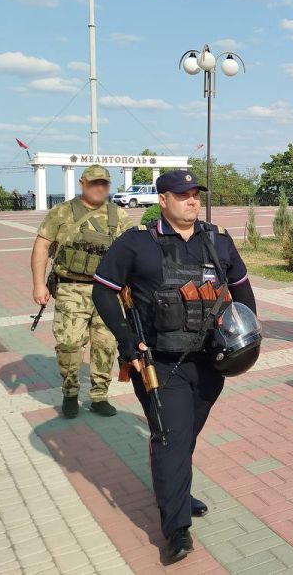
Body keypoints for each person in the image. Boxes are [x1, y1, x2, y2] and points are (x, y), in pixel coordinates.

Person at [91, 170, 257, 563]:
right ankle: (176, 528)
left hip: (210, 362)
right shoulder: (136, 243)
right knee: (170, 437)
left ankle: (176, 493)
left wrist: (246, 334)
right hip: (161, 362)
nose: (192, 201)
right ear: (162, 199)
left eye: (195, 194)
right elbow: (103, 290)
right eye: (182, 195)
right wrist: (126, 341)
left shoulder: (217, 240)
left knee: (187, 434)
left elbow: (242, 289)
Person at [31, 164, 132, 419]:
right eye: (94, 183)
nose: (99, 188)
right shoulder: (62, 212)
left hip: (108, 292)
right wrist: (38, 284)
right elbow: (41, 246)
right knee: (69, 344)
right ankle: (70, 392)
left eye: (104, 183)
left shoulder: (119, 215)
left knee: (105, 344)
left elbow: (131, 255)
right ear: (82, 183)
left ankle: (99, 396)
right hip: (71, 288)